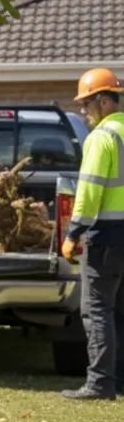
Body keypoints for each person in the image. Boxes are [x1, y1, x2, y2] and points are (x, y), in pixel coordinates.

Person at [60, 67, 124, 401]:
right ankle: (119, 379)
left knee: (97, 310)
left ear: (104, 101)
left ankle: (100, 383)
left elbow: (88, 192)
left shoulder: (102, 137)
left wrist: (73, 234)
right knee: (119, 311)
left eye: (86, 104)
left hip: (107, 238)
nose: (84, 111)